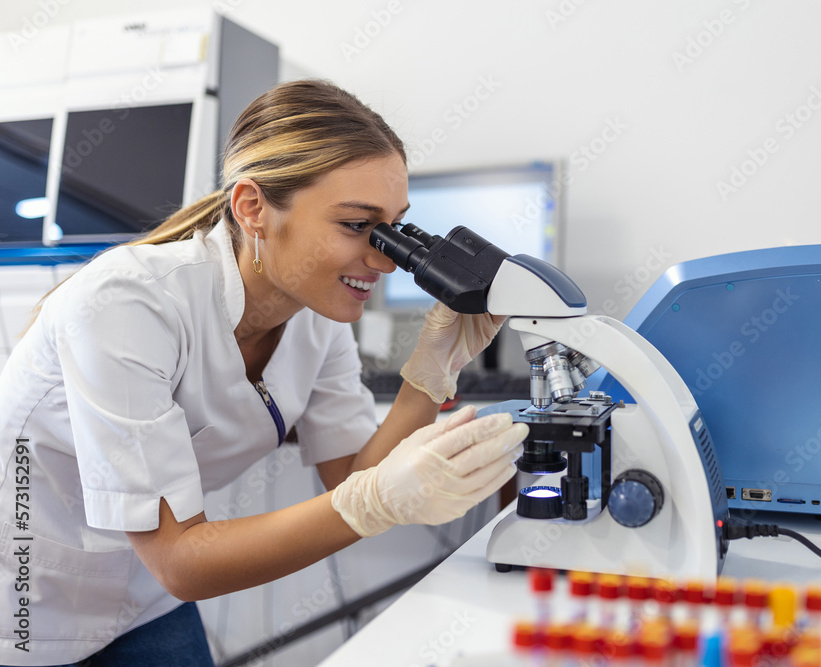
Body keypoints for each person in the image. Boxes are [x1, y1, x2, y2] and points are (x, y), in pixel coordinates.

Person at [0, 79, 527, 666]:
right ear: (253, 208)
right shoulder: (128, 302)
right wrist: (375, 501)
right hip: (28, 596)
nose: (384, 260)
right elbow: (184, 560)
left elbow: (352, 476)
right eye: (357, 226)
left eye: (394, 229)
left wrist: (431, 374)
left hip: (145, 596)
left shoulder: (316, 316)